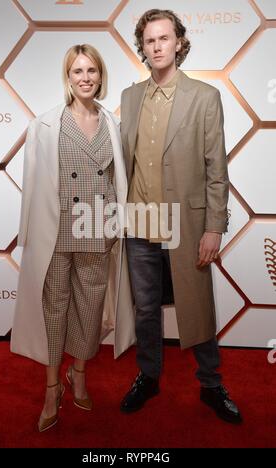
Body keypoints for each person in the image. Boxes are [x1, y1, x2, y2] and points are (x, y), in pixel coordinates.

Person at [119, 9, 242, 424]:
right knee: (146, 309)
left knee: (196, 304)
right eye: (150, 40)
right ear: (144, 46)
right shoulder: (129, 97)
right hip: (140, 223)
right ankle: (148, 376)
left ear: (178, 43)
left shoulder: (205, 97)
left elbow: (216, 169)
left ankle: (211, 384)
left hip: (185, 224)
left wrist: (213, 227)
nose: (157, 46)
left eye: (164, 39)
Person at [10, 44, 135, 432]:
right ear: (68, 77)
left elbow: (120, 180)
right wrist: (27, 235)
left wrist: (120, 225)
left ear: (101, 77)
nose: (86, 78)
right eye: (78, 71)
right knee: (54, 310)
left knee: (90, 308)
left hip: (99, 230)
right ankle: (52, 387)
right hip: (57, 231)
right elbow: (32, 186)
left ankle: (78, 373)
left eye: (92, 71)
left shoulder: (113, 124)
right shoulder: (44, 125)